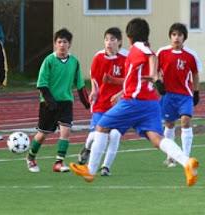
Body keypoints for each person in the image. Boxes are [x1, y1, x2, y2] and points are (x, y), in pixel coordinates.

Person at [69, 18, 199, 187]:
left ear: (129, 36)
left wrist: (154, 75)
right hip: (150, 102)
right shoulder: (142, 49)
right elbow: (137, 76)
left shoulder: (138, 48)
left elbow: (151, 57)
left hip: (134, 102)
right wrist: (121, 88)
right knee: (156, 138)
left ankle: (90, 170)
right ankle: (186, 162)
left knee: (101, 126)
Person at [26, 28, 90, 173]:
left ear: (70, 44)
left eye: (65, 42)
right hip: (48, 103)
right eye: (59, 42)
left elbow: (80, 85)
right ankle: (30, 157)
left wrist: (87, 103)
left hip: (66, 102)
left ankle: (58, 162)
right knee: (42, 134)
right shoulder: (49, 61)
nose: (62, 45)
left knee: (66, 131)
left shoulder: (74, 62)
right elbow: (41, 84)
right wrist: (50, 100)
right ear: (55, 44)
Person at [77, 27, 128, 176]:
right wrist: (94, 90)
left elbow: (129, 82)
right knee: (97, 135)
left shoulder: (125, 59)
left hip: (117, 106)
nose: (109, 43)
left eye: (112, 39)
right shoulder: (98, 57)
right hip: (100, 103)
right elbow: (94, 78)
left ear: (119, 42)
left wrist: (120, 94)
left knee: (115, 135)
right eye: (106, 39)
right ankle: (87, 148)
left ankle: (106, 167)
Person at [157, 23, 202, 168]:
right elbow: (155, 69)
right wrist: (159, 82)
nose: (176, 38)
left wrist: (196, 92)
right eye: (174, 35)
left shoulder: (191, 55)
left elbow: (195, 74)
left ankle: (186, 157)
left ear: (184, 38)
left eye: (180, 35)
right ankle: (170, 157)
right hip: (168, 96)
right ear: (170, 36)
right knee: (169, 124)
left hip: (185, 95)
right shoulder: (162, 53)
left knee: (185, 121)